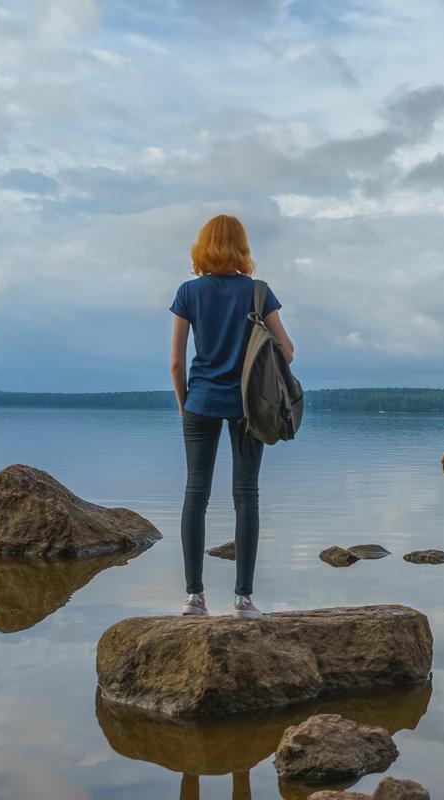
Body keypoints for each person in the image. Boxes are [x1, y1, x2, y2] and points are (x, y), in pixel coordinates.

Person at [169, 215, 295, 618]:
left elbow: (176, 362)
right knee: (247, 496)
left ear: (202, 246)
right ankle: (243, 600)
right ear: (242, 247)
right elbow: (287, 351)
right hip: (247, 406)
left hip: (200, 403)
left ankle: (194, 598)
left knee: (195, 494)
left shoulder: (189, 292)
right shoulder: (258, 292)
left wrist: (184, 404)